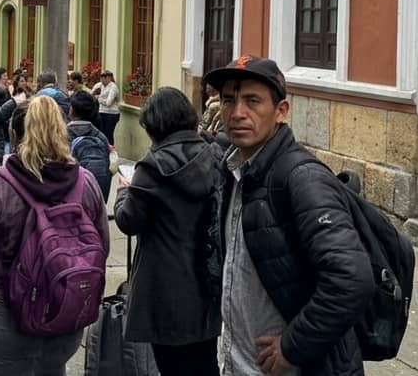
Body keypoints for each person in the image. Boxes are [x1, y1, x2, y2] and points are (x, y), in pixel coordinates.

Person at [203, 56, 374, 376]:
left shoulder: (302, 178)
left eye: (252, 101)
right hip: (240, 363)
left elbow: (352, 277)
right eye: (228, 100)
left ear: (281, 111)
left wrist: (294, 346)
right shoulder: (234, 170)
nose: (237, 113)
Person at [0, 95, 109, 375]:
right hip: (65, 308)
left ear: (14, 133)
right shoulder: (86, 183)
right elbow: (102, 247)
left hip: (4, 314)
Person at [111, 87, 222, 375]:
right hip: (206, 281)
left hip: (164, 285)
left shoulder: (152, 166)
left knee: (172, 366)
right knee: (206, 363)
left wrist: (123, 192)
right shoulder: (211, 155)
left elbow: (128, 221)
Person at [67, 90, 113, 201]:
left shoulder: (61, 135)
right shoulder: (101, 137)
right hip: (97, 197)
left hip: (71, 199)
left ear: (72, 110)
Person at [92, 69, 120, 145]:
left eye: (104, 77)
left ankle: (110, 149)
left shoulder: (113, 87)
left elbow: (108, 103)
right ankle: (102, 149)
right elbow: (92, 95)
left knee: (108, 134)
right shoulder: (99, 85)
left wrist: (98, 98)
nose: (102, 79)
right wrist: (96, 95)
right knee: (100, 133)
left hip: (111, 114)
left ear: (109, 78)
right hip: (101, 112)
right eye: (101, 77)